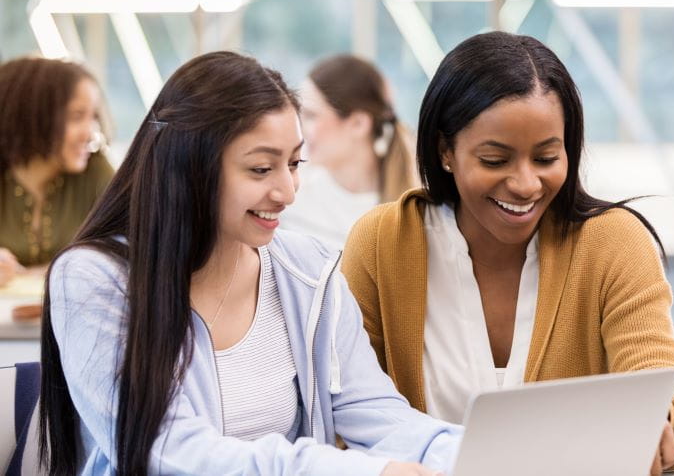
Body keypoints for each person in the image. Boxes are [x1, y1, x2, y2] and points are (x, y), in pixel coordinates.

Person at [38, 51, 460, 476]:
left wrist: (465, 451)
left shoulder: (309, 272)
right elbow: (163, 450)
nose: (288, 191)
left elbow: (377, 414)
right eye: (261, 169)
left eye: (294, 164)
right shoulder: (94, 279)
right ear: (190, 166)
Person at [342, 32, 674, 474]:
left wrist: (661, 421)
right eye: (495, 160)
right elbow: (344, 415)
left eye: (547, 157)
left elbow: (669, 388)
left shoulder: (612, 243)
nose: (526, 184)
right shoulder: (382, 243)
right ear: (445, 151)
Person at [280, 54, 418, 248]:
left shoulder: (413, 213)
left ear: (358, 124)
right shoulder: (291, 196)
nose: (300, 129)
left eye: (311, 115)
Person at [0, 57, 114, 286]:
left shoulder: (97, 172)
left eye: (93, 117)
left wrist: (26, 274)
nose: (90, 133)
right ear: (32, 115)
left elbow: (123, 255)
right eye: (76, 117)